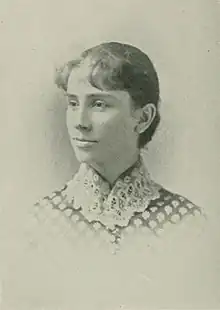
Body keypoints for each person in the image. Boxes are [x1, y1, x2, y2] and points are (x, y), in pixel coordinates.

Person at [29, 41, 205, 255]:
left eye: (99, 104)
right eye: (73, 104)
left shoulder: (187, 223)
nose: (80, 122)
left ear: (143, 118)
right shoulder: (41, 221)